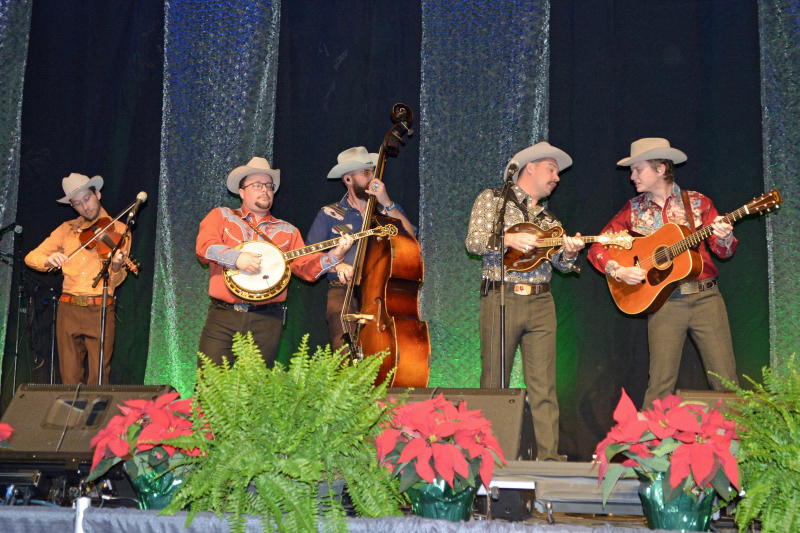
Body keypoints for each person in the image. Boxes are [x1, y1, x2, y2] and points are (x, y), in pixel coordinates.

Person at [587, 138, 739, 407]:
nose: (632, 176)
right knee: (659, 384)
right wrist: (619, 271)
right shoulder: (633, 209)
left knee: (726, 381)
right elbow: (598, 246)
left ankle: (737, 434)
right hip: (664, 301)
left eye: (638, 169)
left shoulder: (698, 202)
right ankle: (649, 435)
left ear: (660, 169)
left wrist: (725, 236)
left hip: (706, 298)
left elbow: (723, 252)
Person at [465, 142, 584, 461]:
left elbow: (561, 265)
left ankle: (549, 458)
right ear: (529, 167)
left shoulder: (550, 220)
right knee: (494, 382)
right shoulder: (493, 199)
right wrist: (508, 239)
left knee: (544, 385)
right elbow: (473, 241)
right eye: (551, 169)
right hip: (501, 296)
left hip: (542, 302)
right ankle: (490, 456)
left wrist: (569, 252)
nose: (557, 177)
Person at [196, 157, 353, 367]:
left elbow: (306, 268)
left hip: (267, 319)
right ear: (241, 192)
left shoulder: (288, 231)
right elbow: (205, 247)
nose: (265, 190)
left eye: (269, 186)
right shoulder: (221, 217)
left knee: (258, 385)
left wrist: (335, 254)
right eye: (257, 185)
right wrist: (236, 258)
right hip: (223, 317)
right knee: (209, 381)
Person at [25, 173, 131, 385]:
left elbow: (115, 281)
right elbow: (31, 257)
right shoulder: (67, 229)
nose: (85, 207)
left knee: (99, 378)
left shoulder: (119, 229)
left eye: (87, 199)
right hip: (68, 309)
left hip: (100, 308)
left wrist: (117, 266)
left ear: (97, 194)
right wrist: (47, 260)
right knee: (69, 377)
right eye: (77, 204)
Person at [306, 146, 415, 353]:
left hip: (382, 290)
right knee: (345, 352)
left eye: (373, 172)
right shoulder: (329, 213)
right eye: (366, 172)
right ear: (348, 179)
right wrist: (337, 267)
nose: (373, 177)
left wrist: (387, 203)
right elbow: (311, 257)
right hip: (343, 289)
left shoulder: (387, 209)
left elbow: (410, 238)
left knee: (384, 350)